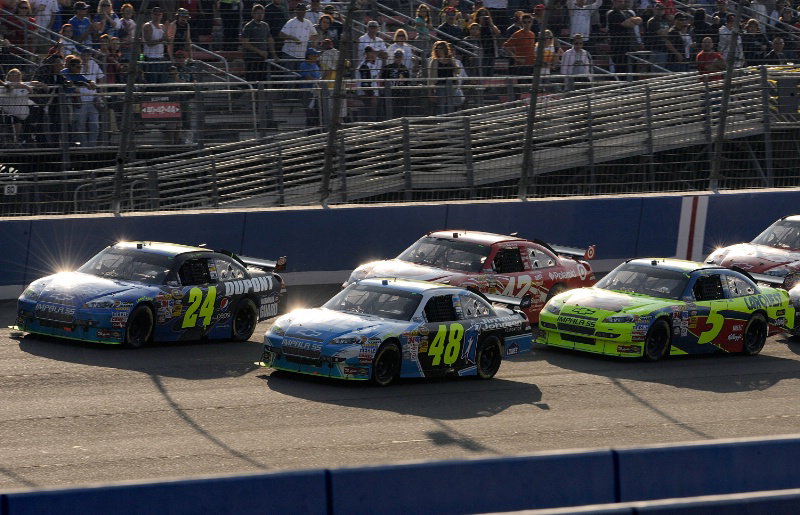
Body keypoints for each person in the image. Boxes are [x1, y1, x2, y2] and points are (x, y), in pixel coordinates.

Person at [0, 68, 43, 144]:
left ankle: (28, 140)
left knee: (36, 110)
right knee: (17, 121)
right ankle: (17, 142)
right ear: (9, 76)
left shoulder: (23, 84)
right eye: (15, 75)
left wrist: (41, 84)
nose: (17, 77)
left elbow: (32, 83)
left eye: (19, 75)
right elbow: (10, 88)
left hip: (24, 114)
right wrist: (25, 87)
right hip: (10, 113)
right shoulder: (6, 85)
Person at [240, 3, 276, 82]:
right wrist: (260, 52)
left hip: (262, 59)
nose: (260, 15)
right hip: (251, 59)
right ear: (253, 14)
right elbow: (245, 43)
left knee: (262, 80)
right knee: (252, 80)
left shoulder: (265, 26)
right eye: (258, 13)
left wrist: (274, 54)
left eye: (262, 13)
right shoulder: (248, 26)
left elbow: (270, 40)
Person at [606, 0, 642, 75]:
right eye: (619, 1)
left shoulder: (628, 12)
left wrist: (630, 20)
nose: (622, 3)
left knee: (634, 71)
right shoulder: (612, 13)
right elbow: (629, 25)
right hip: (619, 48)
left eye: (622, 1)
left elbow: (639, 20)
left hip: (631, 47)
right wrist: (632, 20)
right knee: (622, 71)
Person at [428, 40, 462, 115]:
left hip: (451, 85)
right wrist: (431, 90)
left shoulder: (450, 60)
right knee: (441, 106)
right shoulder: (434, 61)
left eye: (441, 48)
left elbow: (458, 71)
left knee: (451, 104)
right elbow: (431, 77)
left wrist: (452, 62)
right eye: (437, 49)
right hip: (440, 85)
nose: (439, 50)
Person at [279, 2, 317, 70]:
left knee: (299, 75)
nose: (302, 12)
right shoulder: (291, 22)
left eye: (303, 10)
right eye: (300, 10)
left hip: (301, 55)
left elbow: (314, 34)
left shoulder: (308, 23)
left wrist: (311, 40)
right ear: (296, 11)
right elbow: (281, 34)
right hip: (289, 54)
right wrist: (293, 38)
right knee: (289, 76)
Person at [380, 48, 410, 118]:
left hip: (401, 94)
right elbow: (382, 80)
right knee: (390, 111)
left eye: (400, 57)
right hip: (390, 93)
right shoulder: (387, 68)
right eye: (396, 57)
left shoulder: (405, 69)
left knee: (400, 111)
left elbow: (407, 82)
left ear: (402, 58)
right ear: (394, 57)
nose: (398, 59)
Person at [355, 45, 381, 121]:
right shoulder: (364, 66)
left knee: (372, 117)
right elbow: (365, 84)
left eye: (375, 53)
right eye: (372, 52)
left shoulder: (372, 65)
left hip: (372, 95)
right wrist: (372, 96)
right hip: (366, 96)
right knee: (368, 117)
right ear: (367, 54)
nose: (374, 54)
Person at [142, 6, 168, 83]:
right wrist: (161, 40)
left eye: (159, 14)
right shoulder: (148, 26)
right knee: (151, 80)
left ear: (162, 15)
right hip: (150, 57)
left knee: (160, 80)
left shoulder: (162, 27)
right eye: (155, 14)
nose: (157, 16)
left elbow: (166, 41)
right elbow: (149, 43)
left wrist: (168, 39)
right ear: (152, 15)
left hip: (160, 57)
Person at [297, 46, 321, 126]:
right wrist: (317, 81)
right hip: (307, 90)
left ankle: (317, 127)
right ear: (309, 56)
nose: (316, 57)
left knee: (317, 111)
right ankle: (310, 129)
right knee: (309, 111)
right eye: (314, 55)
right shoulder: (304, 65)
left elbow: (319, 76)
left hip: (316, 90)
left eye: (316, 55)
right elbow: (307, 77)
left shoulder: (315, 65)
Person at [645, 2, 670, 70]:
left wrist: (666, 32)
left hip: (665, 49)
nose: (659, 11)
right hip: (656, 49)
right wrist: (666, 31)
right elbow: (662, 33)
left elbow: (669, 33)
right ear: (654, 10)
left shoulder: (665, 20)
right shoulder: (652, 21)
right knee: (657, 71)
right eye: (657, 9)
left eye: (661, 9)